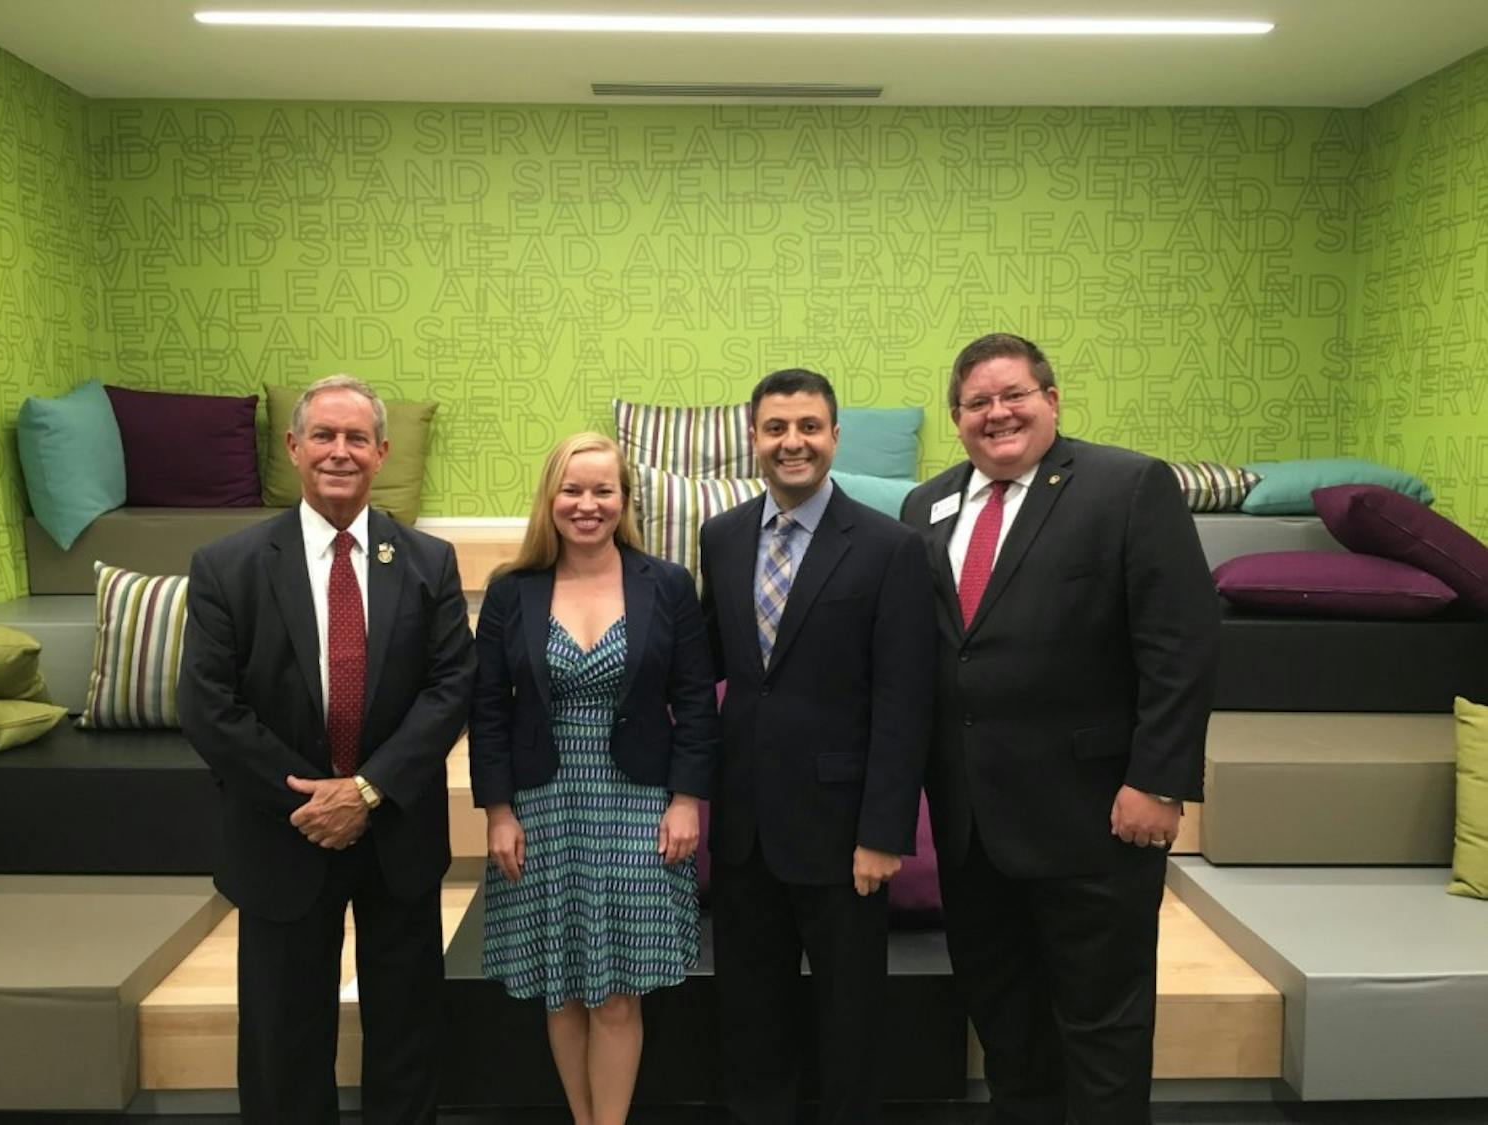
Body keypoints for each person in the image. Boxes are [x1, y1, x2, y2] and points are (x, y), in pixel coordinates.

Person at [899, 333, 1220, 1124]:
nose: (997, 413)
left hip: (1095, 816)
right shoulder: (924, 506)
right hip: (972, 825)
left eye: (1014, 394)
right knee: (1007, 1025)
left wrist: (1158, 779)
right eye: (977, 403)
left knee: (1101, 1026)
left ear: (1052, 400)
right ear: (957, 418)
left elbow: (1181, 644)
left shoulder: (1127, 485)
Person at [178, 374, 475, 1123]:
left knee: (407, 1032)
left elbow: (451, 689)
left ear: (381, 451)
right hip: (283, 833)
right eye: (323, 435)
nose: (339, 452)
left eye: (355, 439)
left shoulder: (428, 563)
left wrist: (367, 791)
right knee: (283, 1041)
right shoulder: (227, 566)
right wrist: (316, 801)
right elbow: (209, 707)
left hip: (396, 831)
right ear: (293, 448)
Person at [698, 369, 935, 1125]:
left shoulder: (890, 546)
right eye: (775, 428)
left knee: (850, 1021)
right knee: (749, 1018)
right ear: (753, 439)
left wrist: (883, 833)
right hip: (743, 831)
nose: (790, 442)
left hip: (844, 837)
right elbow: (715, 666)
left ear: (835, 436)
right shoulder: (723, 535)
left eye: (807, 426)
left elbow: (904, 702)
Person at [469, 432, 719, 1125]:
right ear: (550, 499)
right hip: (541, 805)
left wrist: (687, 800)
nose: (587, 504)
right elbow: (487, 707)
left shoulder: (665, 584)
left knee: (617, 994)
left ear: (624, 499)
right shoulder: (510, 591)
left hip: (640, 804)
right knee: (563, 987)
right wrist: (497, 810)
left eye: (602, 489)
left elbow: (697, 700)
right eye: (572, 489)